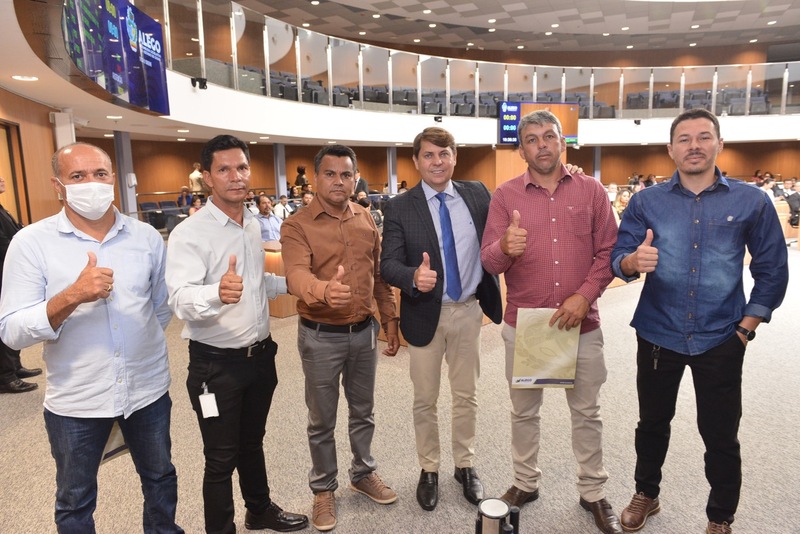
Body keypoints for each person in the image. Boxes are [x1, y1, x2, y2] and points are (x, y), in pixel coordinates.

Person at [612, 109, 789, 534]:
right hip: (658, 332)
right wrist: (632, 262)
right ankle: (646, 493)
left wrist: (746, 328)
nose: (694, 145)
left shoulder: (751, 201)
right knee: (652, 423)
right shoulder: (646, 202)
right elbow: (619, 257)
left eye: (704, 137)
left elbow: (772, 269)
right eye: (684, 139)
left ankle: (719, 516)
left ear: (719, 144)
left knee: (720, 433)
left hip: (722, 336)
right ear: (671, 149)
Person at [0, 143, 183, 533]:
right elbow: (12, 331)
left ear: (113, 178)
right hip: (77, 399)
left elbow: (159, 307)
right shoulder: (31, 243)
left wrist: (139, 345)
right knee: (75, 498)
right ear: (58, 186)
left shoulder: (146, 237)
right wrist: (72, 296)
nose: (91, 183)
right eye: (77, 176)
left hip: (147, 390)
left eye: (99, 174)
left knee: (160, 478)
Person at [480, 110, 622, 534]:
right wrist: (505, 247)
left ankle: (593, 491)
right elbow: (488, 260)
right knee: (524, 413)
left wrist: (584, 296)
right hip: (528, 324)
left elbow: (610, 251)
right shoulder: (505, 196)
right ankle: (525, 483)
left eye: (549, 136)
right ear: (521, 149)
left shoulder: (592, 190)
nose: (541, 144)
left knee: (587, 412)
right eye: (532, 139)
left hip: (582, 322)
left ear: (563, 142)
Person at [165, 135, 308, 534]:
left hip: (260, 358)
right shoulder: (190, 233)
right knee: (220, 458)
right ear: (208, 177)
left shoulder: (250, 224)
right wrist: (216, 292)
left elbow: (255, 283)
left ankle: (258, 510)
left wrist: (298, 284)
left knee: (252, 441)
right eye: (224, 169)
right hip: (216, 367)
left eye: (242, 167)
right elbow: (179, 300)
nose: (236, 176)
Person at [379, 127, 502, 512]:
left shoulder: (477, 193)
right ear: (417, 161)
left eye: (444, 153)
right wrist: (412, 277)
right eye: (429, 155)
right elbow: (387, 265)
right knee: (425, 399)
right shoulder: (400, 207)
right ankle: (429, 468)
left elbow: (500, 233)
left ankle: (465, 465)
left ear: (454, 157)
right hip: (424, 314)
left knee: (467, 395)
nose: (437, 162)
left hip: (468, 312)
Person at [280, 144, 400, 532]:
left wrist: (389, 318)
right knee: (322, 419)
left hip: (364, 333)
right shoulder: (297, 225)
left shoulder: (366, 217)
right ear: (316, 178)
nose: (338, 181)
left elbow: (378, 276)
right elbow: (295, 275)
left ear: (355, 179)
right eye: (330, 174)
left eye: (346, 174)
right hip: (321, 337)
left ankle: (362, 473)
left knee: (363, 411)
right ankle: (323, 487)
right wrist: (322, 290)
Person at [0, 175, 41, 394]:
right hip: (2, 272)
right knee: (4, 325)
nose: (2, 179)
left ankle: (14, 367)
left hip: (8, 273)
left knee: (13, 317)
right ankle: (6, 377)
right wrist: (23, 248)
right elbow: (4, 245)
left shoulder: (2, 208)